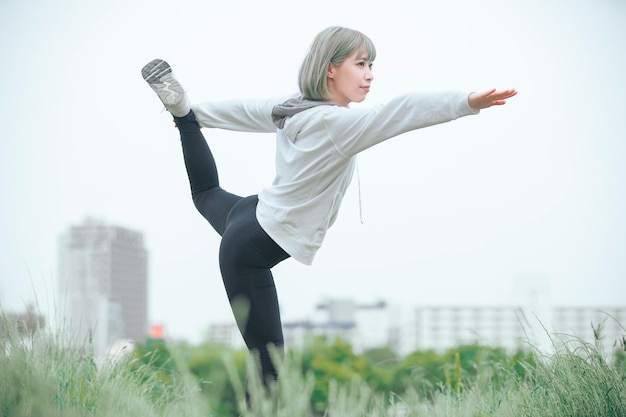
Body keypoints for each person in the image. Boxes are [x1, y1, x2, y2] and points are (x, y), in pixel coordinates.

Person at [141, 26, 516, 388]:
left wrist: (193, 116)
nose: (369, 76)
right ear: (331, 69)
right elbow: (402, 111)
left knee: (205, 192)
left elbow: (245, 110)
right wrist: (465, 103)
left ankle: (181, 111)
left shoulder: (292, 107)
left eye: (371, 66)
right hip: (251, 248)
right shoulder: (339, 123)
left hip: (248, 215)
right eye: (361, 64)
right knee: (269, 366)